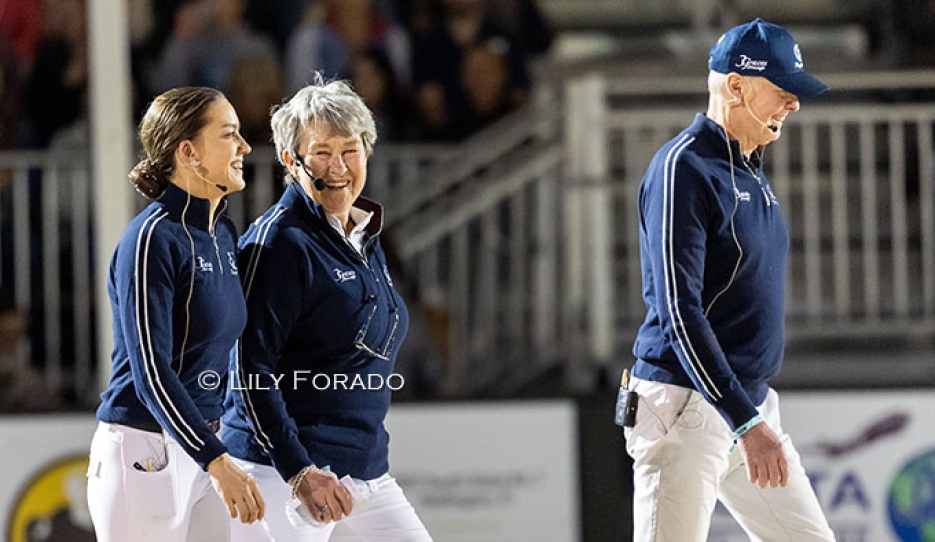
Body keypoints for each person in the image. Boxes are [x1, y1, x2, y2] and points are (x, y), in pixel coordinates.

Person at [619, 18, 836, 542]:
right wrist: (743, 420)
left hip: (748, 406)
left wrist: (749, 416)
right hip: (687, 405)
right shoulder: (683, 168)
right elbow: (678, 310)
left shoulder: (750, 170)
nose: (795, 104)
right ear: (735, 86)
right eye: (783, 91)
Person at [222, 74, 433, 542]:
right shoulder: (278, 243)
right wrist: (299, 472)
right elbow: (247, 367)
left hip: (365, 469)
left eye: (349, 149)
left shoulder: (363, 231)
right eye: (321, 152)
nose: (338, 166)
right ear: (290, 160)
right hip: (281, 473)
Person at [87, 86, 265, 542]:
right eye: (229, 135)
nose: (245, 147)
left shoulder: (223, 233)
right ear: (189, 152)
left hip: (207, 447)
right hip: (144, 450)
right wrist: (216, 459)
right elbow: (151, 372)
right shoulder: (149, 240)